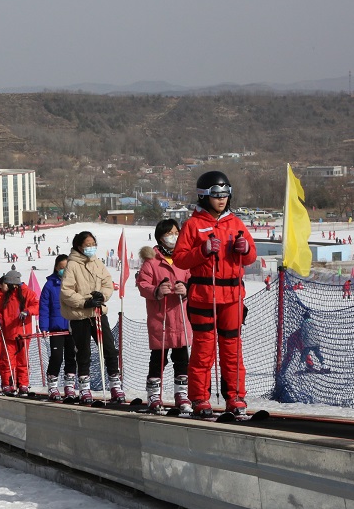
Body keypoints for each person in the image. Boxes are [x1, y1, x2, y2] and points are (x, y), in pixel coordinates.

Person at [173, 171, 257, 417]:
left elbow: (251, 257)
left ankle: (236, 397)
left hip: (232, 297)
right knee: (204, 349)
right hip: (204, 296)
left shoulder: (236, 223)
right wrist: (202, 250)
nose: (222, 199)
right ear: (204, 196)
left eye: (225, 194)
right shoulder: (193, 225)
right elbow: (180, 259)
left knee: (233, 349)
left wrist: (245, 249)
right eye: (216, 195)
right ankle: (200, 398)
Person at [60, 231, 125, 404]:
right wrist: (84, 302)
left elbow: (107, 283)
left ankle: (115, 385)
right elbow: (66, 291)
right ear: (79, 246)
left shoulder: (97, 262)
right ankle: (84, 387)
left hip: (97, 313)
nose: (91, 247)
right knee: (84, 352)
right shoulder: (72, 265)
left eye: (93, 244)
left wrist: (101, 295)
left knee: (109, 349)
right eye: (87, 245)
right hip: (80, 315)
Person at [136, 219, 192, 413]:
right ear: (160, 237)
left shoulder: (183, 258)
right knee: (158, 359)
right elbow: (142, 284)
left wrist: (186, 288)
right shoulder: (151, 261)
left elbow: (192, 279)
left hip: (181, 317)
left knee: (182, 359)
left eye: (176, 233)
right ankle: (154, 394)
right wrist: (157, 291)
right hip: (161, 319)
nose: (173, 237)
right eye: (169, 233)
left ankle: (181, 394)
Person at [0, 270, 39, 396]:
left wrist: (28, 311)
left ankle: (23, 384)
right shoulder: (7, 295)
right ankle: (8, 384)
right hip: (9, 332)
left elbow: (37, 305)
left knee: (23, 360)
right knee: (7, 360)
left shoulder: (27, 293)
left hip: (23, 332)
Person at [39, 254, 77, 402]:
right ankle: (52, 385)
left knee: (71, 356)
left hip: (72, 326)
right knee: (56, 356)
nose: (64, 270)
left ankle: (69, 385)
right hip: (57, 327)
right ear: (56, 268)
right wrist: (44, 326)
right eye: (61, 268)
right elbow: (44, 307)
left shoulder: (75, 282)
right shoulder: (50, 285)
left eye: (66, 267)